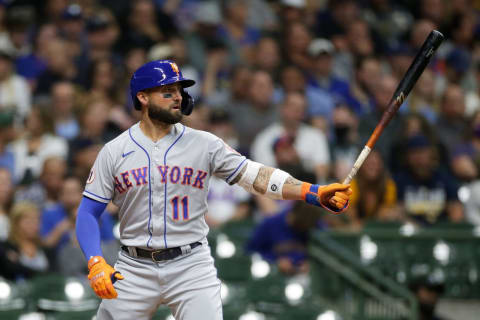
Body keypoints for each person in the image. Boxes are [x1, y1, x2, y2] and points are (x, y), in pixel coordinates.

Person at [75, 60, 352, 320]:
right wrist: (95, 261)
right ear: (143, 98)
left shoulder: (204, 144)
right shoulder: (115, 151)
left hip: (190, 264)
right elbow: (88, 212)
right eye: (167, 91)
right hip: (134, 267)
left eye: (179, 91)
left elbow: (256, 176)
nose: (178, 97)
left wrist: (312, 192)